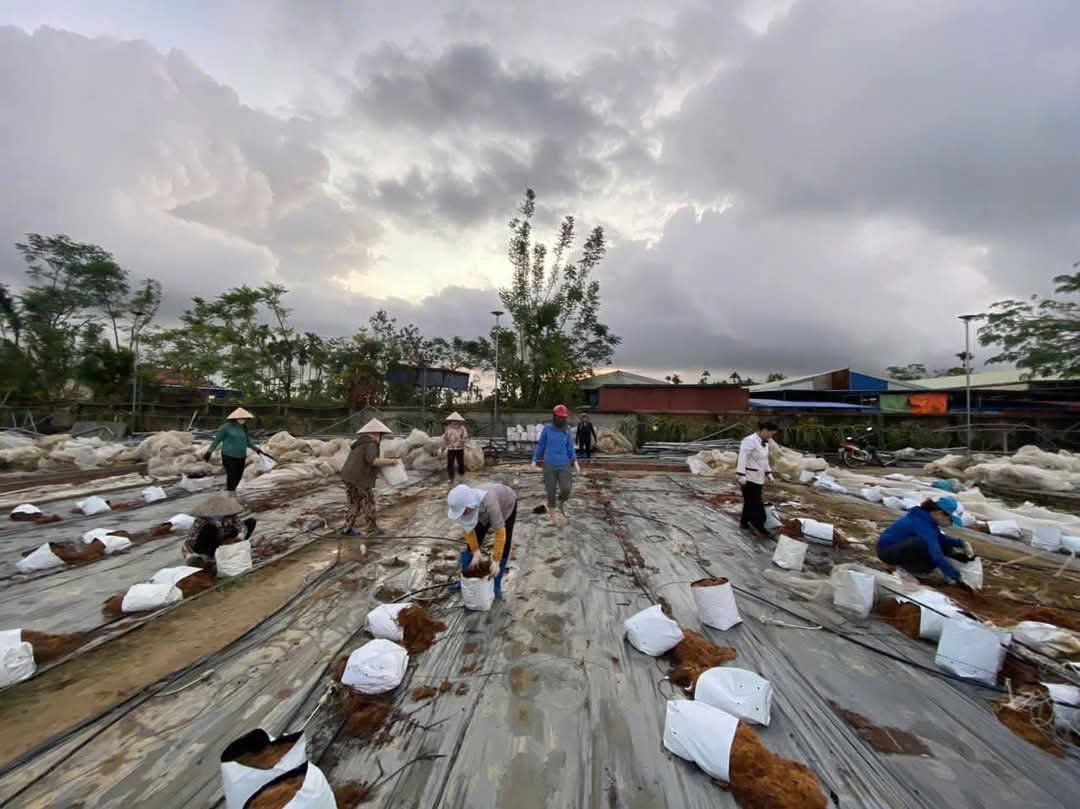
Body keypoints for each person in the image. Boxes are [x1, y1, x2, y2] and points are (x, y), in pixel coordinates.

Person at [877, 497, 975, 584]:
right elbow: (937, 556)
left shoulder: (926, 519)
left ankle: (916, 568)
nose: (950, 523)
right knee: (924, 544)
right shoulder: (923, 524)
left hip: (898, 547)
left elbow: (940, 538)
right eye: (950, 520)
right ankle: (911, 569)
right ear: (939, 513)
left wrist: (961, 543)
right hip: (887, 552)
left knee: (942, 545)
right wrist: (955, 576)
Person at [447, 482, 518, 599]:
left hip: (506, 504)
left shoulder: (490, 502)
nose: (462, 514)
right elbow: (468, 529)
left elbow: (500, 534)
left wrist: (496, 560)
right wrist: (475, 551)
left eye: (464, 511)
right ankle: (466, 580)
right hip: (482, 509)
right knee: (474, 541)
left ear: (469, 504)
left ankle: (495, 585)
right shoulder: (466, 504)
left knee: (505, 543)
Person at [340, 418, 398, 536]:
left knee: (354, 503)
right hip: (359, 478)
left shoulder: (361, 442)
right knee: (368, 502)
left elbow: (366, 462)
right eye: (381, 435)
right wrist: (391, 461)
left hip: (349, 476)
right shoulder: (371, 443)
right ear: (377, 433)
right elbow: (372, 460)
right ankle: (372, 529)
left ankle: (347, 528)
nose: (382, 437)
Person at [533, 404, 581, 525]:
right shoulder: (547, 429)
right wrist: (535, 459)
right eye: (559, 417)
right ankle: (552, 518)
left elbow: (570, 447)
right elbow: (541, 445)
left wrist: (575, 461)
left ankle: (561, 502)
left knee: (566, 489)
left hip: (564, 464)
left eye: (563, 417)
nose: (561, 419)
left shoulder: (567, 430)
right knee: (551, 491)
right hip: (549, 465)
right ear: (554, 416)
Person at [182, 494, 256, 570]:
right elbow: (189, 540)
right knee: (210, 528)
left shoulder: (230, 515)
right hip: (207, 544)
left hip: (223, 541)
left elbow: (242, 527)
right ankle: (210, 558)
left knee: (251, 522)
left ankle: (234, 549)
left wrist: (239, 538)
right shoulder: (202, 519)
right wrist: (190, 555)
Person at [205, 408, 265, 492]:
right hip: (228, 456)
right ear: (235, 418)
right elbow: (217, 441)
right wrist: (209, 452)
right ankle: (230, 493)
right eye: (241, 418)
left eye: (244, 418)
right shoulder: (225, 427)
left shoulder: (244, 427)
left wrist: (257, 449)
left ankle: (232, 492)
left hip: (241, 456)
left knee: (238, 477)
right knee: (231, 476)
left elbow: (248, 441)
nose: (243, 420)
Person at [736, 422, 779, 535]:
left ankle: (744, 522)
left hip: (759, 477)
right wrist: (741, 474)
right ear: (764, 430)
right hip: (748, 478)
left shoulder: (765, 442)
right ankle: (760, 525)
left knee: (749, 502)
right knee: (756, 503)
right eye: (770, 433)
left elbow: (764, 459)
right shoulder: (749, 440)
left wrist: (769, 473)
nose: (771, 436)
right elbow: (742, 457)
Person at [441, 412, 469, 484]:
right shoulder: (448, 428)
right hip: (451, 448)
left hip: (460, 448)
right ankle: (451, 478)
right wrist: (443, 446)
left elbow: (465, 437)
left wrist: (462, 442)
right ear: (451, 421)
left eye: (456, 421)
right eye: (453, 421)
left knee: (461, 463)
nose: (455, 422)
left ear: (459, 421)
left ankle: (461, 476)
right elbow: (445, 438)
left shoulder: (462, 428)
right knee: (450, 463)